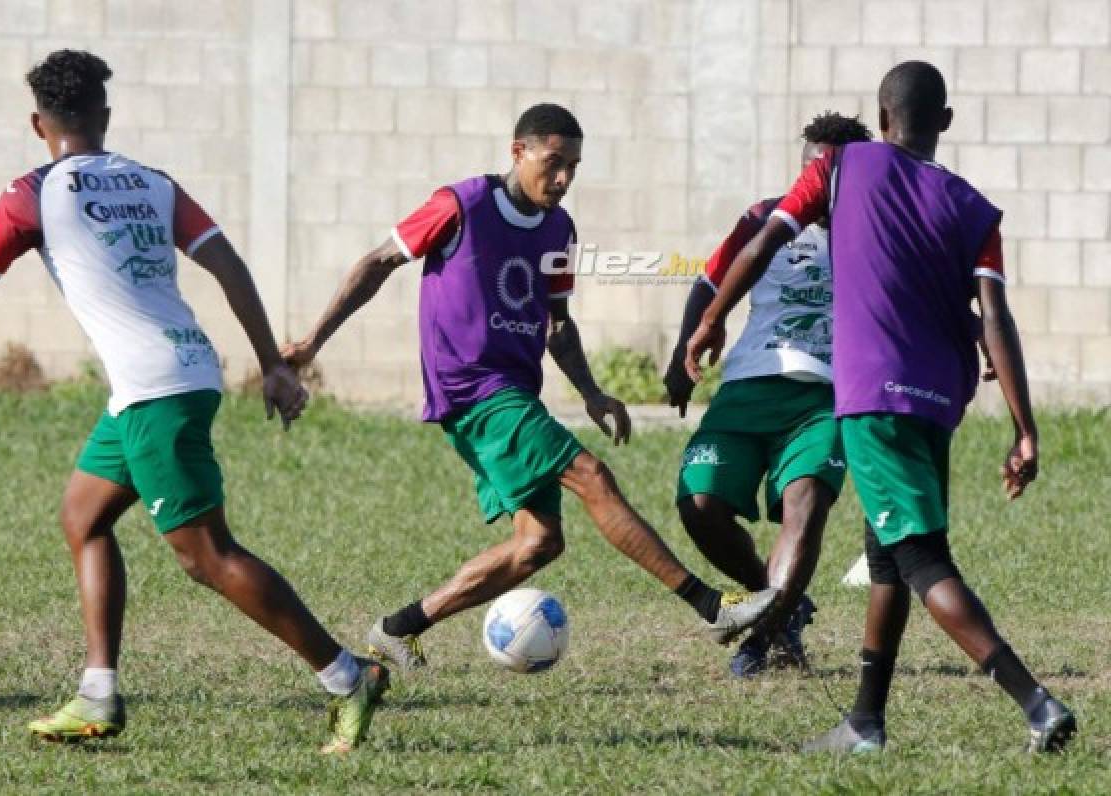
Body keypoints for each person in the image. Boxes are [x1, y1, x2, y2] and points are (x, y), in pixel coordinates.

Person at [0, 50, 386, 754]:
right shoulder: (155, 184)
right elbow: (228, 263)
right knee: (84, 516)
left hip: (155, 392)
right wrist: (270, 364)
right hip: (178, 371)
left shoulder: (31, 193)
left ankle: (349, 676)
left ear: (36, 122)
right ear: (105, 117)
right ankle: (98, 693)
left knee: (208, 557)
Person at [284, 103, 776, 675]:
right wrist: (312, 342)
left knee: (537, 544)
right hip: (472, 390)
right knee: (591, 476)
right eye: (554, 162)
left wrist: (592, 393)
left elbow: (557, 323)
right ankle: (711, 606)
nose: (564, 178)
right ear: (519, 153)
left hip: (514, 392)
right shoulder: (462, 204)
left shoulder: (558, 228)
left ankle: (399, 628)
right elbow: (377, 263)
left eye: (574, 166)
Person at [685, 61, 1076, 754]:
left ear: (881, 114)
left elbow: (765, 240)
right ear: (946, 123)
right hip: (938, 401)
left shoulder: (838, 165)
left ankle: (1037, 702)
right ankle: (866, 721)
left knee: (922, 558)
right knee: (887, 555)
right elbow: (995, 316)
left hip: (874, 396)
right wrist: (1024, 427)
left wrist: (713, 317)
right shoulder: (971, 206)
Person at [664, 112, 873, 678]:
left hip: (827, 396)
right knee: (699, 505)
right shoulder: (765, 218)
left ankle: (763, 640)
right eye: (810, 168)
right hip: (748, 385)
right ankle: (781, 604)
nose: (817, 182)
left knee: (803, 510)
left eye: (829, 172)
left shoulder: (880, 231)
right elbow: (708, 282)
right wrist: (683, 352)